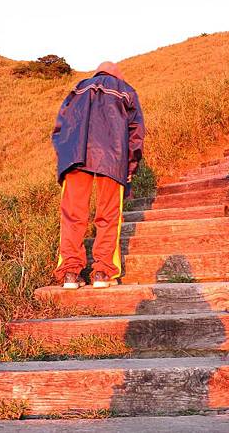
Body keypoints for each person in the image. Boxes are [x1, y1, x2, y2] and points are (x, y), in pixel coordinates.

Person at [51, 61, 145, 289]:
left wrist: (65, 158)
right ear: (117, 75)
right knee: (109, 215)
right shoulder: (126, 90)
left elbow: (59, 128)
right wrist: (130, 167)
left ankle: (70, 274)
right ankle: (102, 273)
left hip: (74, 158)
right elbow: (136, 134)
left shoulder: (79, 88)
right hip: (112, 159)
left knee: (73, 216)